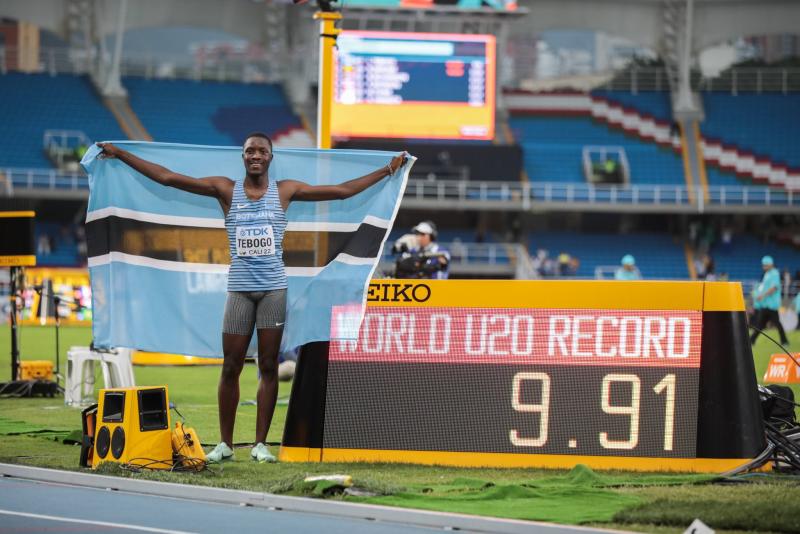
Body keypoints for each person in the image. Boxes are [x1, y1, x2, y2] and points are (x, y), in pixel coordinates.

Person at [97, 134, 406, 463]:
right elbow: (169, 178)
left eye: (261, 151)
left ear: (271, 157)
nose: (255, 155)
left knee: (269, 365)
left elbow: (343, 191)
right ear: (243, 157)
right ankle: (225, 445)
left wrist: (387, 170)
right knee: (230, 366)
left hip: (273, 290)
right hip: (240, 291)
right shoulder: (225, 190)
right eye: (249, 151)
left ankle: (260, 444)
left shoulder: (285, 191)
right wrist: (120, 154)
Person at [750, 255, 789, 347]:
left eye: (765, 265)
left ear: (771, 264)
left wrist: (762, 296)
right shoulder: (767, 274)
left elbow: (774, 288)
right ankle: (751, 340)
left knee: (776, 323)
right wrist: (758, 294)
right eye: (763, 265)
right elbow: (763, 287)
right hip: (765, 304)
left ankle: (785, 342)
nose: (764, 267)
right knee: (760, 324)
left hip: (772, 305)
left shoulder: (774, 273)